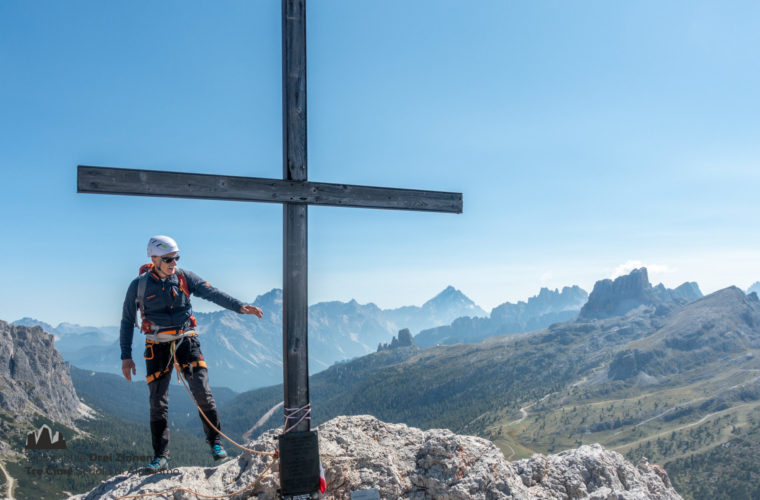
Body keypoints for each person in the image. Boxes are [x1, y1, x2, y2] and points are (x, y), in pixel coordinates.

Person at [119, 235, 263, 472]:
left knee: (202, 391)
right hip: (157, 346)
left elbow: (212, 292)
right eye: (168, 258)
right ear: (153, 258)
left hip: (186, 340)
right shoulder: (139, 286)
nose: (173, 262)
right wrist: (126, 356)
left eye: (176, 257)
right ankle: (161, 457)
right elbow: (127, 321)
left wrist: (239, 307)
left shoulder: (184, 278)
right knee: (158, 402)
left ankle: (216, 442)